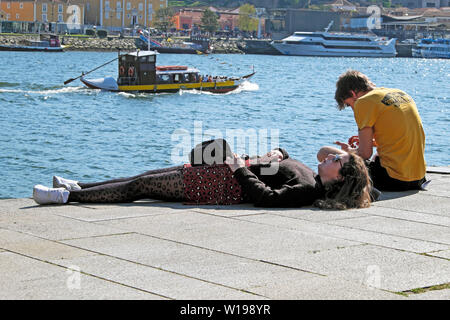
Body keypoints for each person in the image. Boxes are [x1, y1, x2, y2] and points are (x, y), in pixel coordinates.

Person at [32, 141, 372, 210]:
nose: (329, 156)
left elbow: (266, 199)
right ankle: (79, 186)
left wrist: (240, 168)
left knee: (140, 187)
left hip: (217, 184)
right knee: (145, 175)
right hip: (219, 170)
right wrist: (278, 153)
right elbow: (287, 151)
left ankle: (66, 197)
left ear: (339, 178)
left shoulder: (307, 189)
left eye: (336, 160)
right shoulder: (309, 173)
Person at [333, 70, 426, 191]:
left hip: (393, 180)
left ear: (353, 93)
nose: (352, 109)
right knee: (377, 157)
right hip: (418, 178)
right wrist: (371, 141)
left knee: (325, 153)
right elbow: (400, 136)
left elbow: (365, 154)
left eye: (349, 104)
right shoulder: (399, 93)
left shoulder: (363, 102)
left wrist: (349, 151)